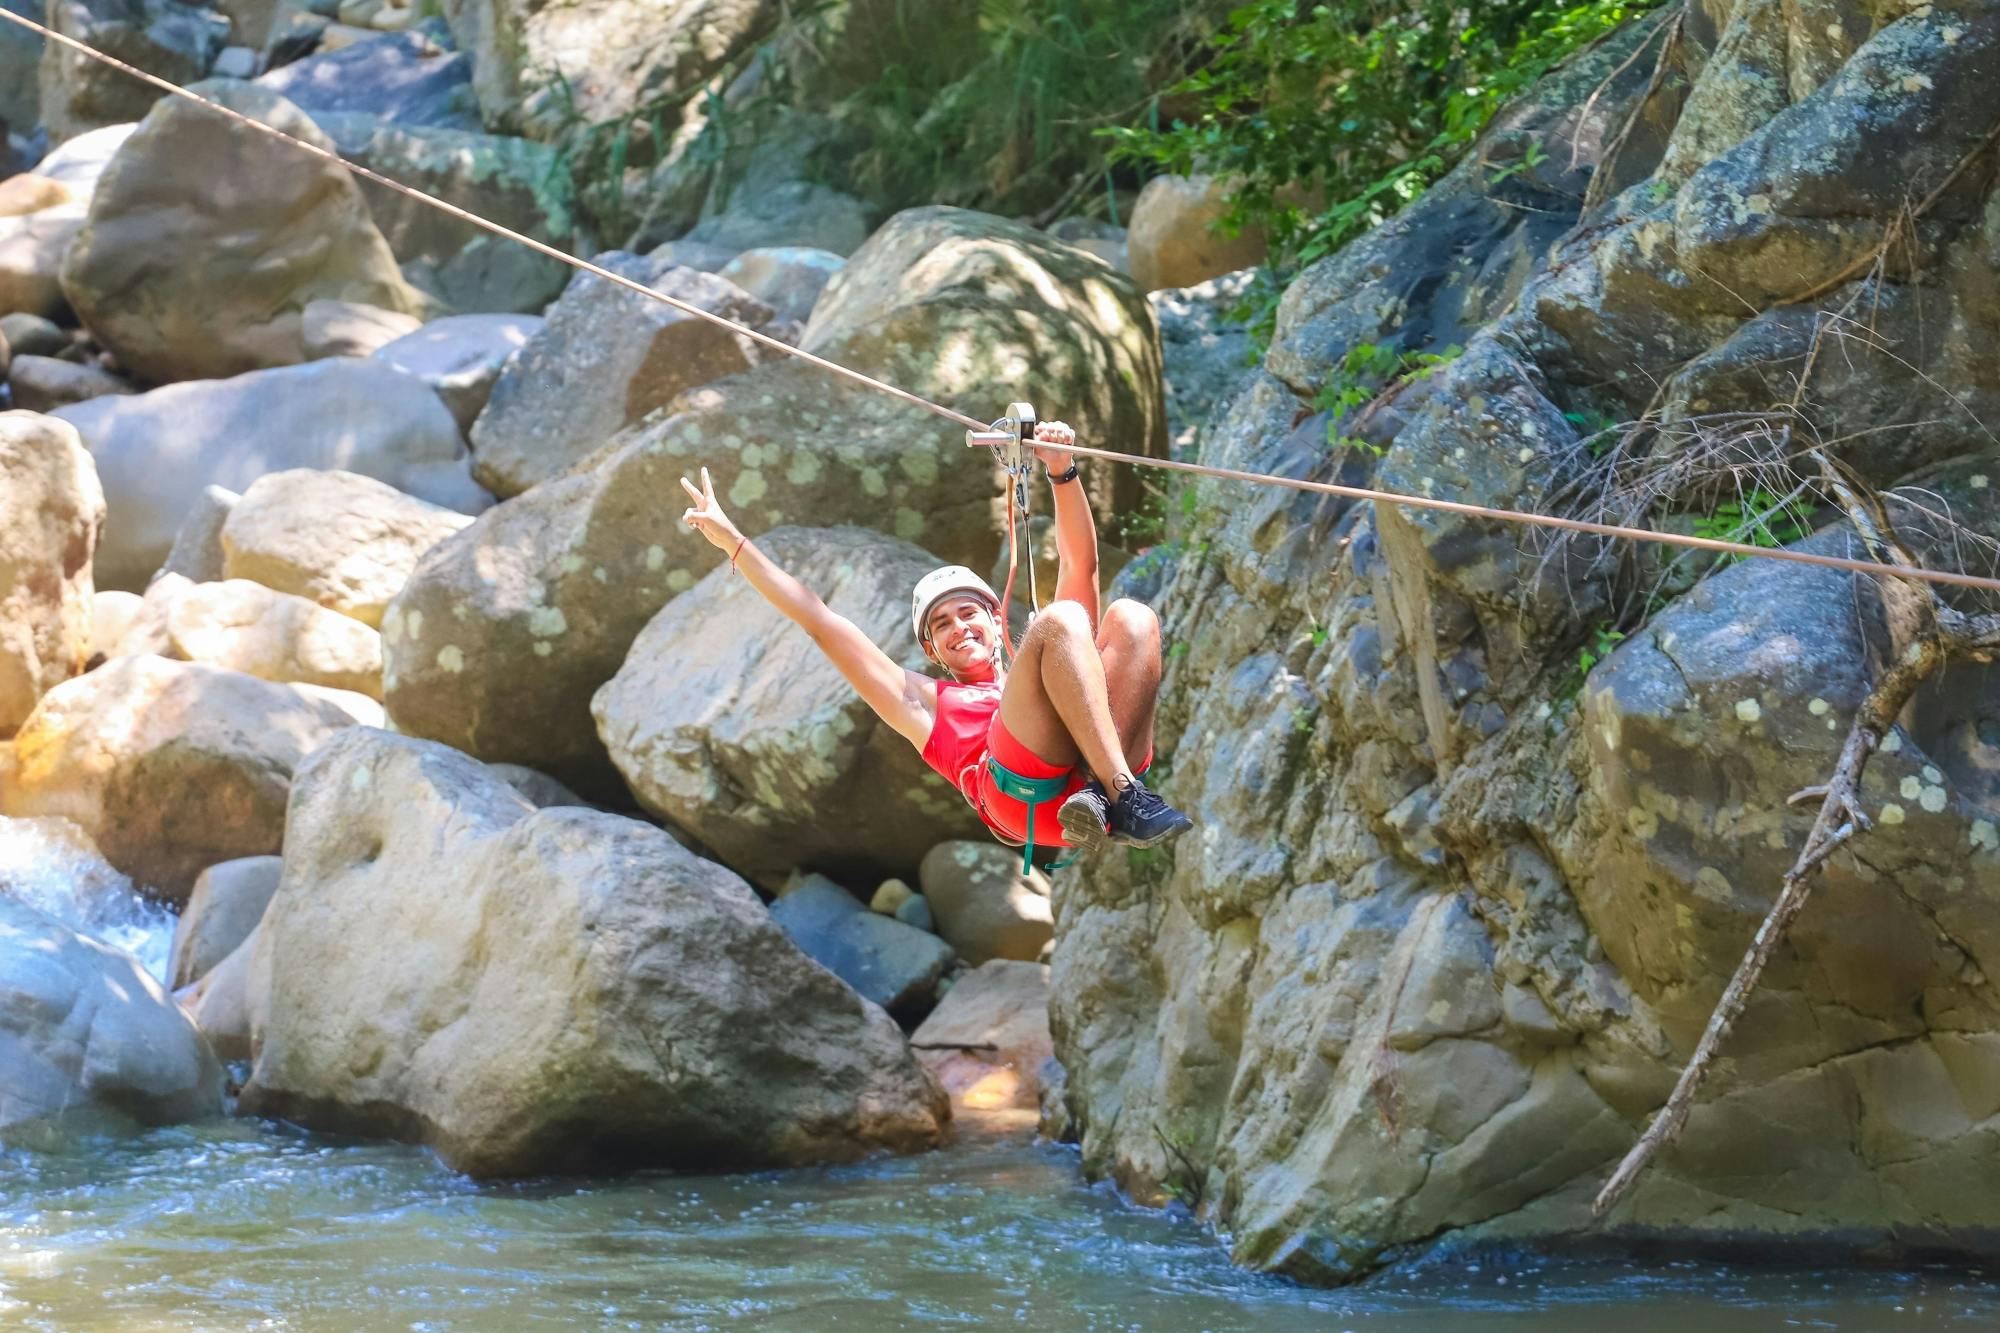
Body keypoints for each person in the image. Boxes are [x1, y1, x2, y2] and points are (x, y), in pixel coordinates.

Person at [676, 419, 1193, 860]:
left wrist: (1063, 469)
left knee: (1132, 617)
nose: (957, 628)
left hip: (1085, 792)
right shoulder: (924, 702)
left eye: (967, 613)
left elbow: (1083, 564)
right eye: (941, 625)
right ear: (932, 652)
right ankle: (1125, 795)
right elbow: (822, 622)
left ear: (995, 620)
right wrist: (734, 544)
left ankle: (1109, 794)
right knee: (1061, 620)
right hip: (1025, 799)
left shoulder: (1056, 663)